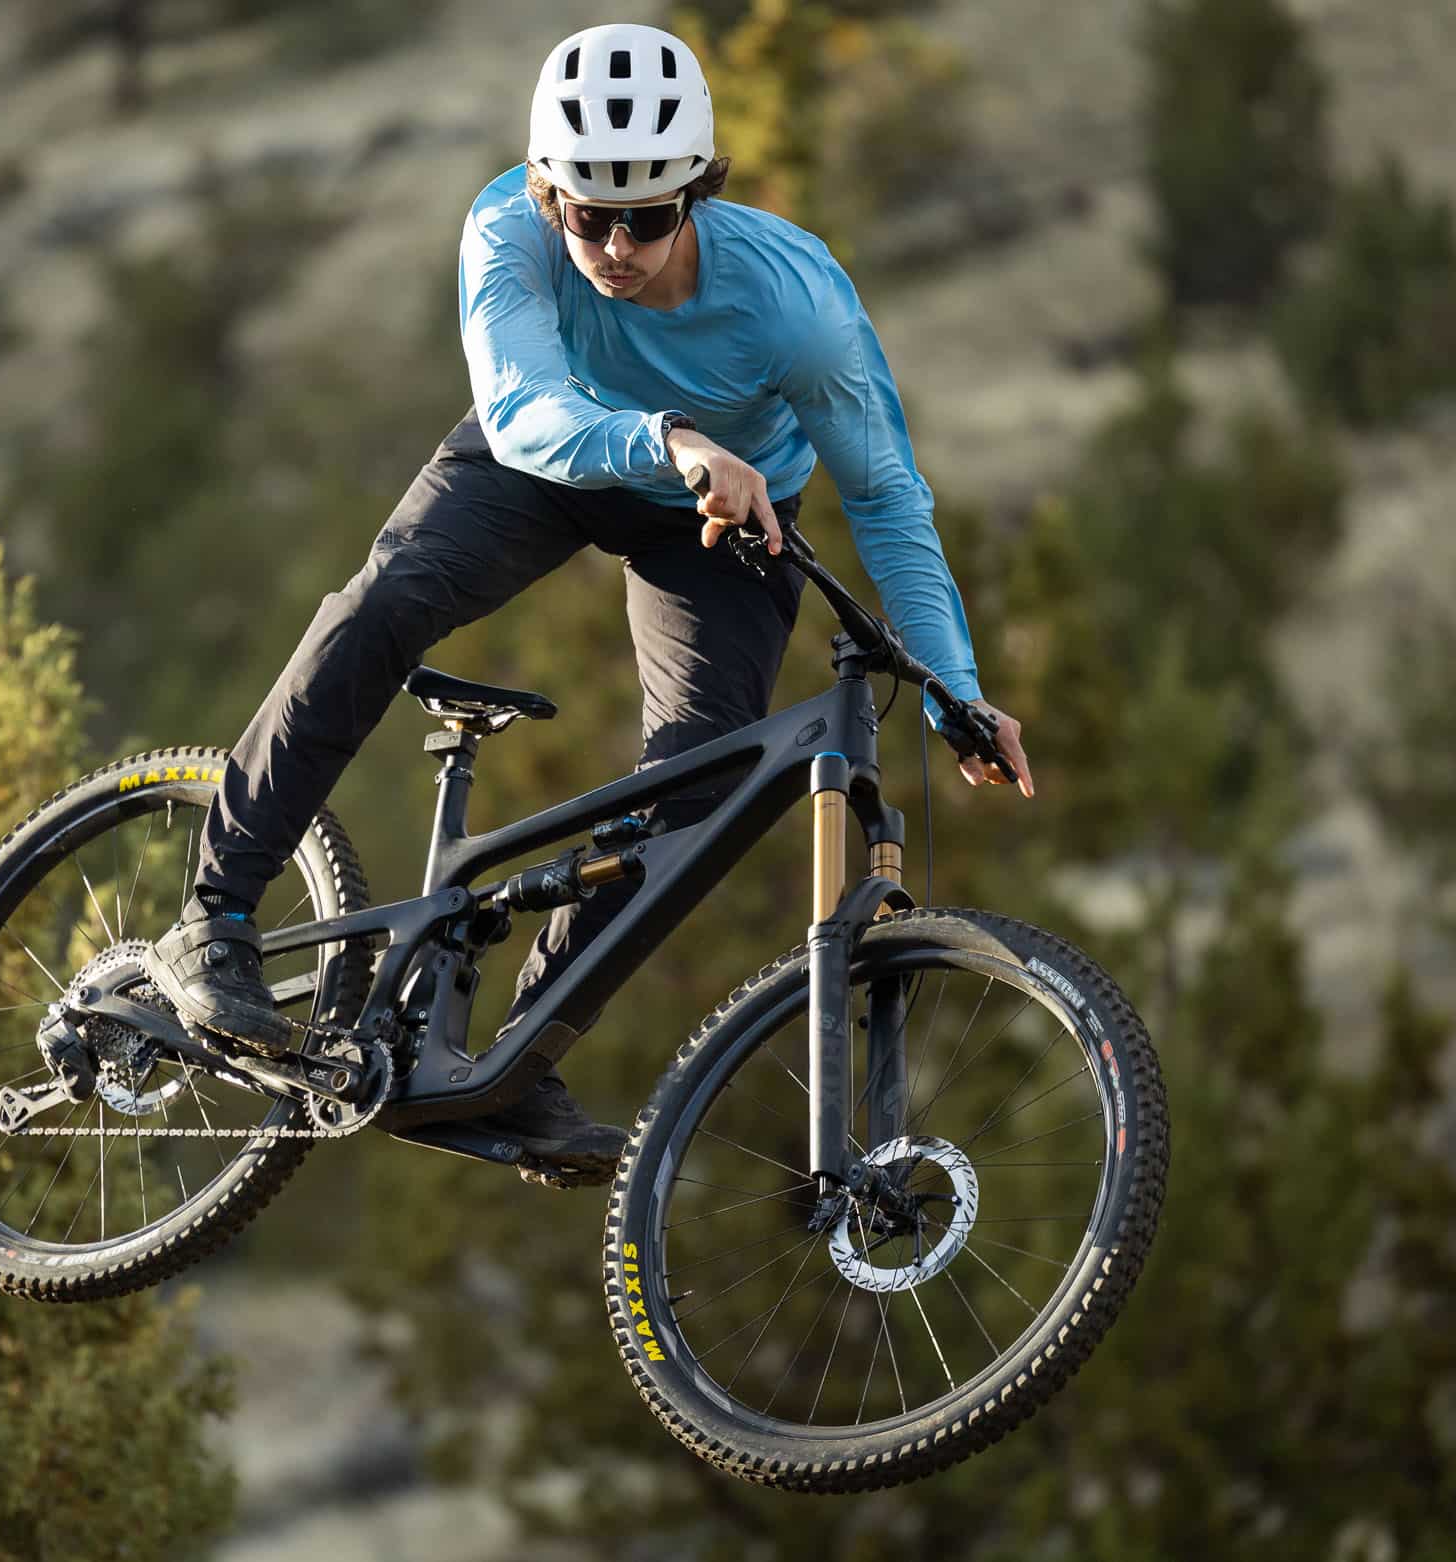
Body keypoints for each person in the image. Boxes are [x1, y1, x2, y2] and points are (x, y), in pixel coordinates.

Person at [151, 21, 1035, 1182]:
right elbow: (522, 411)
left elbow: (885, 498)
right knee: (390, 598)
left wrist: (954, 691)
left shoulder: (794, 303)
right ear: (546, 194)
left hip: (720, 509)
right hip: (551, 455)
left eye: (649, 217)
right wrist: (668, 438)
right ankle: (214, 913)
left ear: (697, 194)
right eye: (588, 216)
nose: (616, 247)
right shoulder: (504, 228)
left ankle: (513, 1062)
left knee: (701, 781)